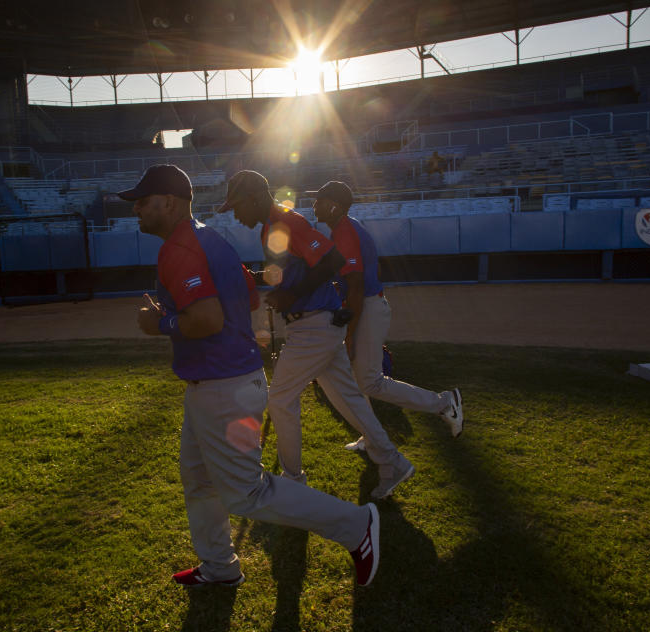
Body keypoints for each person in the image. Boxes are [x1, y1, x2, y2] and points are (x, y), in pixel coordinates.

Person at [120, 164, 381, 588]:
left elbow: (205, 318)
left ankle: (355, 525)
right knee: (199, 477)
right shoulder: (210, 239)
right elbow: (244, 295)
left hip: (222, 387)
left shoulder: (180, 248)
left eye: (143, 203)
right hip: (225, 381)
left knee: (248, 492)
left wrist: (161, 323)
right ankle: (220, 566)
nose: (137, 211)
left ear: (169, 203)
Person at [218, 170, 414, 500]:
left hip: (313, 326)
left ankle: (292, 482)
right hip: (313, 325)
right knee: (350, 400)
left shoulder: (286, 220)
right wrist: (254, 276)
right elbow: (294, 270)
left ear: (254, 199)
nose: (236, 214)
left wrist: (292, 297)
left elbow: (331, 260)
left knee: (279, 400)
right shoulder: (271, 225)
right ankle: (392, 462)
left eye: (237, 206)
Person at [311, 181, 463, 451]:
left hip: (366, 306)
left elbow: (357, 287)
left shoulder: (345, 231)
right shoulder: (346, 227)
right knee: (355, 378)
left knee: (370, 381)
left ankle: (444, 403)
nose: (314, 205)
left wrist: (349, 332)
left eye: (319, 199)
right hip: (367, 305)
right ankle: (370, 437)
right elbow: (373, 270)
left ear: (333, 205)